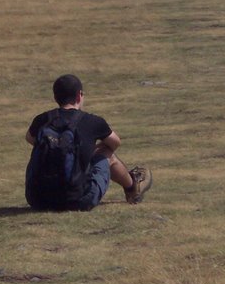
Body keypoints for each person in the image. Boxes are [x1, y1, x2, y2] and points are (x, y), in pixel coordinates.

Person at [25, 74, 152, 211]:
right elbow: (115, 142)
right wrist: (88, 153)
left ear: (56, 98)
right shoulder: (92, 121)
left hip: (37, 200)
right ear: (79, 96)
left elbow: (30, 138)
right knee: (107, 153)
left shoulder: (42, 120)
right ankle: (132, 187)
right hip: (77, 201)